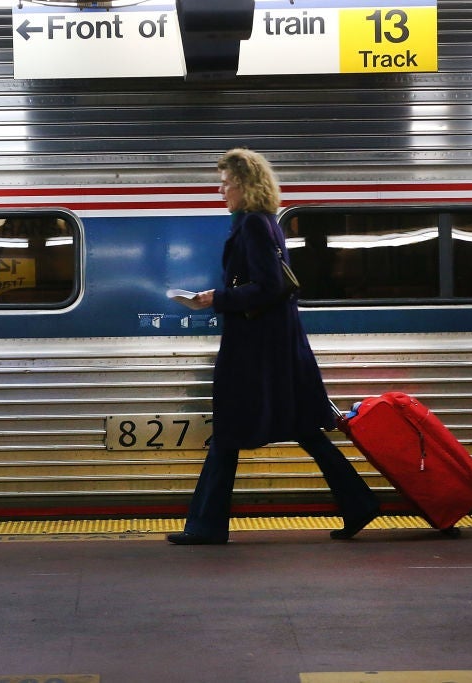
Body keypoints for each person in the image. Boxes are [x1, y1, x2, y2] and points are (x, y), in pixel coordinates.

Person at [167, 148, 380, 545]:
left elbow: (270, 286)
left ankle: (207, 526)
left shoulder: (252, 225)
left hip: (256, 353)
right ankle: (358, 503)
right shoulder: (265, 223)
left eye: (226, 183)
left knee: (229, 432)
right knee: (304, 428)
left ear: (244, 185)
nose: (221, 190)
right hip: (277, 348)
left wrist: (218, 297)